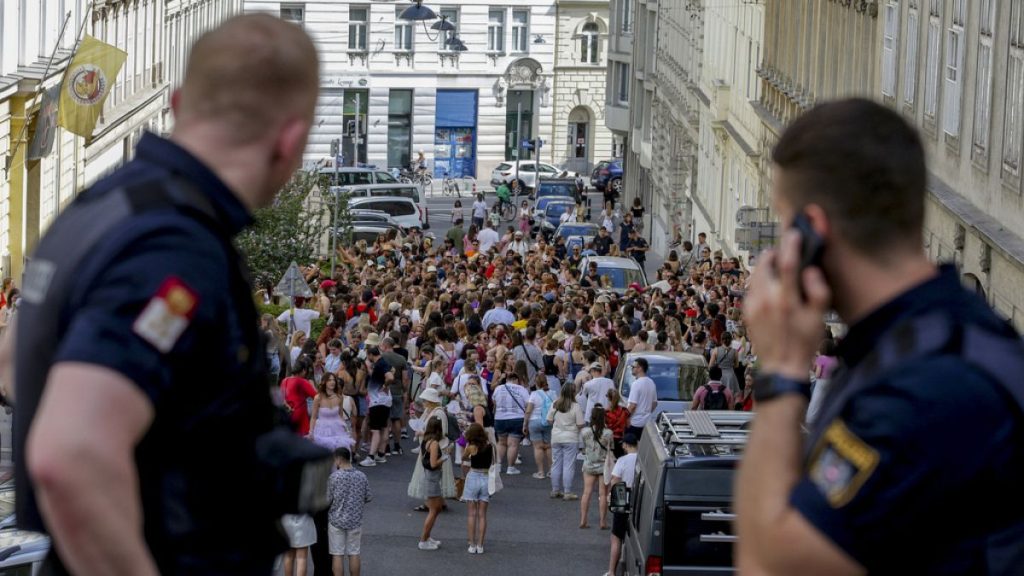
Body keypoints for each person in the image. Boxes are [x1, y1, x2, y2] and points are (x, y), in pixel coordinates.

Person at [736, 99, 1024, 575]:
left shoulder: (919, 391)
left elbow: (765, 565)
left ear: (814, 232)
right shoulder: (953, 337)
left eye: (786, 226)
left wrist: (781, 371)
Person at [327, 447, 371, 576]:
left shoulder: (334, 477)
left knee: (337, 554)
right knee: (354, 552)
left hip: (336, 520)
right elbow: (368, 497)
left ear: (339, 459)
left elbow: (327, 499)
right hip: (355, 520)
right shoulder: (361, 476)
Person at [607, 434, 639, 576]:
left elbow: (615, 480)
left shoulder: (622, 460)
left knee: (616, 536)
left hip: (621, 497)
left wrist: (610, 495)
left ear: (626, 445)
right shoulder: (643, 460)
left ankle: (612, 571)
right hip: (638, 498)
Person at [547, 382, 584, 500]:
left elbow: (549, 420)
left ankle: (555, 490)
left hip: (556, 437)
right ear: (573, 392)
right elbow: (580, 424)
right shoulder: (575, 406)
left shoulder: (555, 404)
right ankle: (567, 492)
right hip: (571, 438)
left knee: (556, 463)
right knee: (568, 465)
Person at [460, 423, 493, 554]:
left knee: (471, 513)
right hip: (486, 478)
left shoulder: (471, 447)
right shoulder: (490, 446)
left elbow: (463, 458)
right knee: (482, 515)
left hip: (473, 476)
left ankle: (472, 544)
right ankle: (480, 545)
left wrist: (467, 450)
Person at [579, 404, 613, 530]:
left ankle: (583, 520)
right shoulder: (608, 433)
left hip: (589, 465)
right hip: (603, 466)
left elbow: (583, 448)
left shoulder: (585, 432)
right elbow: (611, 448)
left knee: (586, 493)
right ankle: (603, 522)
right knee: (603, 494)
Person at [418, 418, 447, 551]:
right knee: (433, 510)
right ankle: (423, 540)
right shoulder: (434, 443)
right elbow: (434, 463)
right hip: (432, 479)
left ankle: (427, 537)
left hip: (430, 478)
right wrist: (444, 457)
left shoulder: (425, 440)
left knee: (438, 508)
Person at [625, 358, 657, 438]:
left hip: (634, 423)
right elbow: (654, 403)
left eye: (633, 367)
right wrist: (646, 413)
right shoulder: (651, 382)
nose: (632, 369)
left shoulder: (636, 384)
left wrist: (625, 418)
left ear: (640, 368)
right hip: (647, 423)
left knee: (631, 447)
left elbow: (632, 405)